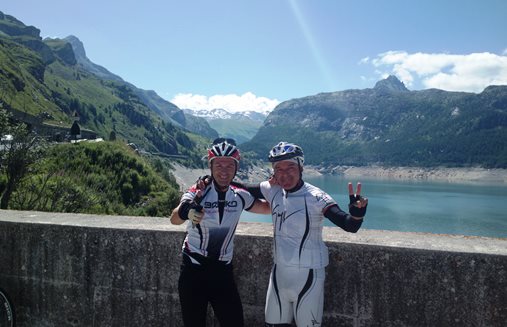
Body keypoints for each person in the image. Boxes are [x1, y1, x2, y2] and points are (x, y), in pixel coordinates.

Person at [226, 141, 368, 326]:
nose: (284, 174)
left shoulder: (316, 197)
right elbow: (243, 187)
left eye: (290, 167)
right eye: (279, 169)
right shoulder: (273, 189)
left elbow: (349, 225)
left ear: (301, 167)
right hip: (279, 274)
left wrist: (357, 214)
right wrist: (210, 179)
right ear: (273, 172)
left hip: (309, 277)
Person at [170, 138, 270, 327]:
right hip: (193, 270)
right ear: (211, 166)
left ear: (236, 168)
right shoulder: (199, 190)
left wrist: (291, 201)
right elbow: (174, 218)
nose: (224, 170)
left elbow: (266, 209)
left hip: (222, 273)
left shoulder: (240, 194)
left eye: (229, 165)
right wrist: (187, 212)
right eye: (219, 165)